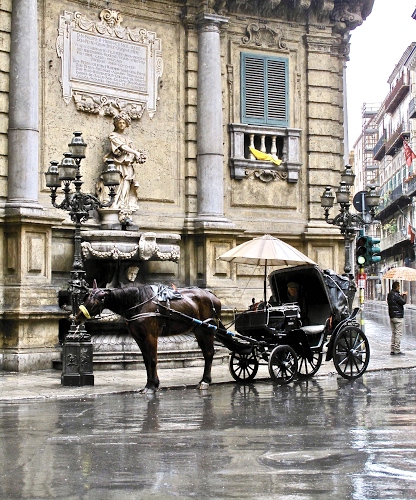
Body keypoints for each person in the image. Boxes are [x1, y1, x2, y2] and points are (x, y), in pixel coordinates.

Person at [104, 112, 147, 211]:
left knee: (126, 184)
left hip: (127, 165)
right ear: (116, 124)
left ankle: (123, 203)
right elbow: (122, 146)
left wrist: (139, 156)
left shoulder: (128, 138)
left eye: (123, 123)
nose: (121, 124)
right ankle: (114, 203)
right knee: (117, 183)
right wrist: (135, 152)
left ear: (127, 124)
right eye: (119, 122)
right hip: (117, 164)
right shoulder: (113, 135)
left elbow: (132, 151)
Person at [387, 281, 407, 355]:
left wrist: (400, 296)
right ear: (397, 287)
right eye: (399, 286)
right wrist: (404, 295)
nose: (399, 287)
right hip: (398, 317)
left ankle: (392, 349)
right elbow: (403, 302)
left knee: (394, 333)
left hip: (392, 316)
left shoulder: (390, 294)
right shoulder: (396, 295)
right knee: (398, 333)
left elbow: (395, 301)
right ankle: (397, 349)